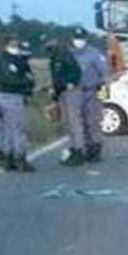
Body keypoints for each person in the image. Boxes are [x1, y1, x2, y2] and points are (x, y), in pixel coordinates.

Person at [0, 34, 36, 172]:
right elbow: (11, 79)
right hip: (12, 95)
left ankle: (8, 158)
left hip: (4, 96)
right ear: (6, 45)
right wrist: (28, 82)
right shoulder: (7, 61)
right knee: (17, 128)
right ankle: (20, 158)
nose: (16, 47)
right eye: (13, 44)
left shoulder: (11, 60)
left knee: (7, 129)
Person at [69, 28, 110, 162]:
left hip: (92, 91)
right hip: (75, 92)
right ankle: (83, 148)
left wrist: (104, 94)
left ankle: (95, 150)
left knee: (93, 121)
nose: (78, 41)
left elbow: (104, 74)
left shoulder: (95, 54)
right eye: (76, 38)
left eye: (81, 38)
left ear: (86, 39)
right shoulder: (70, 54)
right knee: (78, 122)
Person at [46, 39, 86, 166]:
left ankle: (78, 151)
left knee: (74, 122)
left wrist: (71, 83)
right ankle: (73, 149)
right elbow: (56, 78)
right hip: (62, 91)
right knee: (68, 123)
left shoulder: (65, 58)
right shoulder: (54, 61)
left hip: (71, 92)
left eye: (51, 49)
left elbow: (76, 73)